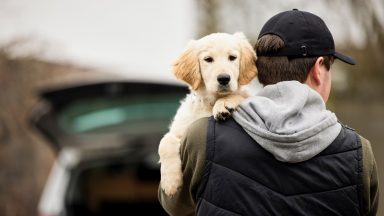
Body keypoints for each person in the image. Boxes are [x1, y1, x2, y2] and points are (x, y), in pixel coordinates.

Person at [158, 9, 379, 216]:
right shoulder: (359, 152)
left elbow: (174, 205)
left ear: (258, 70)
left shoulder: (201, 136)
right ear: (319, 69)